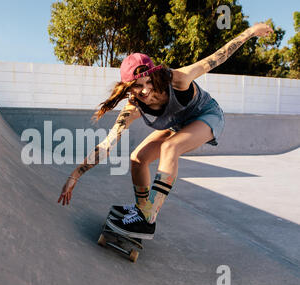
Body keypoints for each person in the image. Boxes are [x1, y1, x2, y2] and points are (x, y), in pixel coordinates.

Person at [57, 23, 274, 240]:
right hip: (179, 125)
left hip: (208, 116)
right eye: (136, 86)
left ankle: (148, 218)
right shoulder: (132, 109)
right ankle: (141, 210)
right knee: (137, 158)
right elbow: (107, 144)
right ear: (127, 87)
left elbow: (218, 57)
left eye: (148, 82)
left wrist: (251, 32)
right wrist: (75, 175)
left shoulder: (178, 79)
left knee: (171, 146)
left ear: (154, 75)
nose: (144, 90)